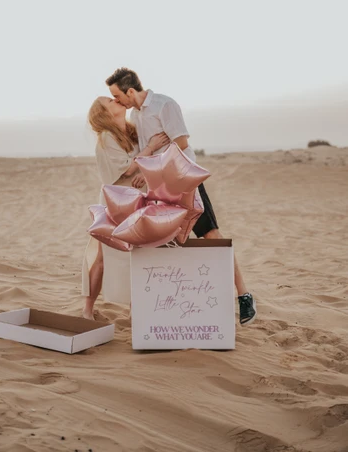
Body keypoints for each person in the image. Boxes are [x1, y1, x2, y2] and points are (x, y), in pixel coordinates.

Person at [105, 67, 257, 326]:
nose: (118, 101)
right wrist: (146, 168)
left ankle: (244, 295)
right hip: (159, 188)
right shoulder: (137, 115)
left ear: (131, 91)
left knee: (211, 236)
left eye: (118, 96)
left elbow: (182, 143)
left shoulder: (165, 105)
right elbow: (147, 151)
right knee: (168, 243)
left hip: (185, 182)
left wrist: (153, 164)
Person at [82, 96, 169, 320]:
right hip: (115, 201)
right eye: (109, 101)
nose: (115, 100)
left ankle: (134, 310)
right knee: (102, 254)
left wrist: (144, 173)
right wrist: (150, 148)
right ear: (103, 113)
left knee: (138, 253)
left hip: (137, 199)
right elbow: (127, 168)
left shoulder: (132, 132)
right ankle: (87, 310)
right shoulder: (106, 137)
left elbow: (141, 166)